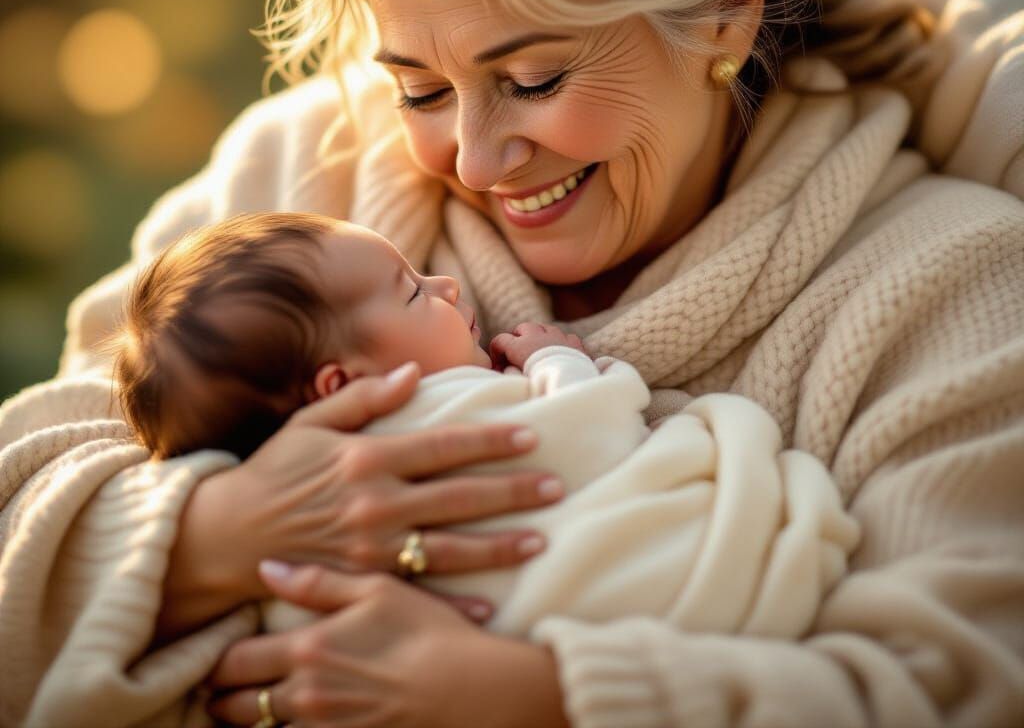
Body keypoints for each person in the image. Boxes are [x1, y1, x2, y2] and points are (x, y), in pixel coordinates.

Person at [1, 0, 1022, 725]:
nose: (478, 161)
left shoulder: (945, 284)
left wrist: (535, 697)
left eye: (533, 79)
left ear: (724, 10)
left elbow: (955, 682)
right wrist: (216, 535)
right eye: (419, 89)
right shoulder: (308, 177)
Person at [111, 210, 858, 653]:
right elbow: (582, 436)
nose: (447, 285)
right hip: (658, 589)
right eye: (412, 291)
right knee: (726, 433)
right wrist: (563, 362)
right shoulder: (437, 412)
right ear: (344, 387)